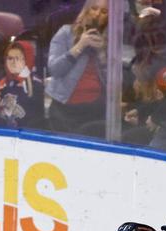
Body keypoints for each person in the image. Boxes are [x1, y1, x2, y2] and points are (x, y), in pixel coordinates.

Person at [46, 0, 108, 136]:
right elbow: (55, 70)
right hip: (64, 110)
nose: (97, 14)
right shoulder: (65, 33)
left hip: (95, 111)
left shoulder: (111, 40)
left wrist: (102, 54)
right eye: (94, 8)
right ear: (86, 10)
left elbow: (115, 84)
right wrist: (79, 46)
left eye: (104, 12)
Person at [0, 41, 45, 129]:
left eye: (17, 58)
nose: (13, 62)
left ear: (27, 60)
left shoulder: (35, 85)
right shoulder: (3, 82)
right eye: (10, 58)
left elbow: (39, 119)